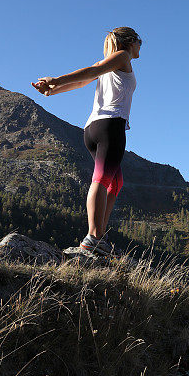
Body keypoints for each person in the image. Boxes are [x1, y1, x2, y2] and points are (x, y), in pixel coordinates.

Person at [32, 27, 141, 255]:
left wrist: (53, 90)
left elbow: (83, 81)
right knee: (101, 181)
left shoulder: (110, 63)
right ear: (130, 42)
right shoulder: (122, 56)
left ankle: (99, 235)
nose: (140, 46)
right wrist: (56, 80)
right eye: (139, 42)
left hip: (93, 129)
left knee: (115, 183)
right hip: (111, 125)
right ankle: (93, 236)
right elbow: (92, 70)